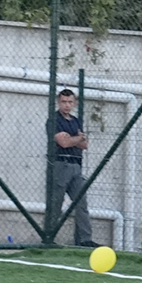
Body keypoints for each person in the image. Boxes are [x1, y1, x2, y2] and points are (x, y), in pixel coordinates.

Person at [46, 87, 95, 249]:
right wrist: (77, 138)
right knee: (56, 203)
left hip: (76, 164)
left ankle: (84, 239)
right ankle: (49, 237)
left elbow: (84, 144)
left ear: (74, 103)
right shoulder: (53, 120)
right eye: (64, 102)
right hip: (61, 164)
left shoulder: (76, 121)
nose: (67, 105)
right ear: (59, 102)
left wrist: (73, 138)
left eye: (70, 102)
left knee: (81, 202)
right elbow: (63, 142)